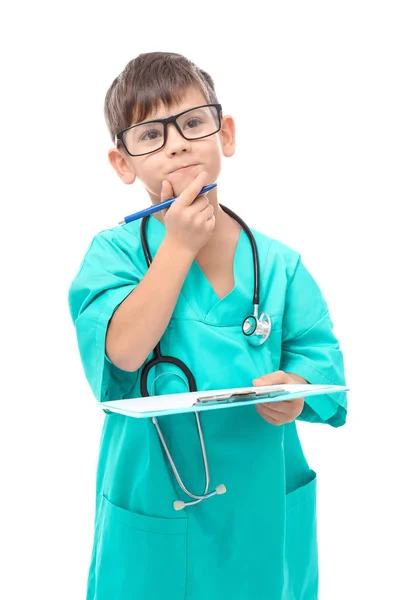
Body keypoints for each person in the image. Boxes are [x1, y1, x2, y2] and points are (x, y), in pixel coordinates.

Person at [68, 51, 347, 600]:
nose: (177, 143)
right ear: (122, 163)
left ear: (227, 134)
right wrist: (178, 245)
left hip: (262, 507)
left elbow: (320, 365)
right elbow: (121, 352)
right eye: (150, 135)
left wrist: (296, 391)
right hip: (157, 500)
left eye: (193, 123)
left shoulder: (281, 265)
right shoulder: (113, 255)